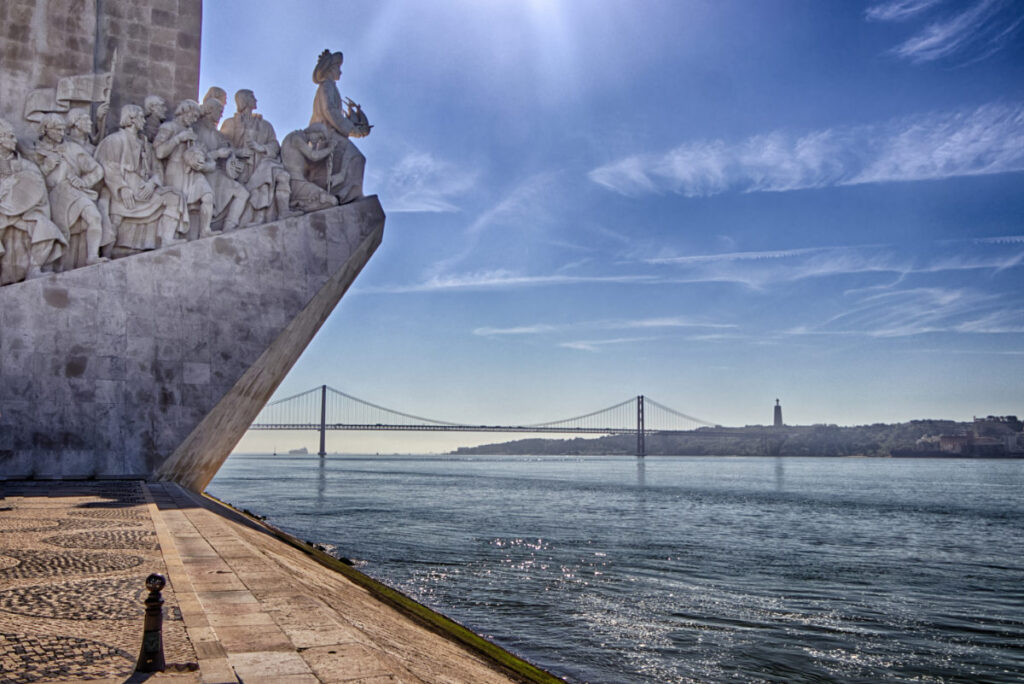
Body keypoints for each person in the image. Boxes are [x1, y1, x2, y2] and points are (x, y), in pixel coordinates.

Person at [95, 105, 185, 255]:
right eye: (141, 117)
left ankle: (167, 240)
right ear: (131, 119)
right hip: (124, 191)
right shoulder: (114, 140)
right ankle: (105, 254)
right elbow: (109, 168)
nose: (144, 120)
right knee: (114, 218)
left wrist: (152, 183)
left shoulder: (146, 145)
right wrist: (122, 189)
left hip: (144, 190)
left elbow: (157, 169)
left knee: (174, 197)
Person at [33, 113, 109, 270]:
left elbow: (97, 170)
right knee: (59, 232)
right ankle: (51, 266)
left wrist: (84, 181)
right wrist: (46, 167)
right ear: (46, 129)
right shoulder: (36, 150)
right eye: (57, 130)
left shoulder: (73, 148)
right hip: (54, 197)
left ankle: (92, 256)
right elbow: (31, 179)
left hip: (75, 191)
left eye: (63, 129)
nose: (62, 133)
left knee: (94, 217)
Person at [0, 118, 65, 284]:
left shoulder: (25, 165)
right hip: (2, 212)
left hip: (24, 213)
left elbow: (37, 185)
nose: (15, 140)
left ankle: (34, 269)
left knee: (45, 228)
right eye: (11, 137)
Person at [220, 89, 292, 223]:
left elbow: (275, 145)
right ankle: (247, 221)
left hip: (262, 163)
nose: (256, 100)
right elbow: (223, 145)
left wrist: (262, 148)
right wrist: (238, 152)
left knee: (278, 175)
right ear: (245, 100)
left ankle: (281, 212)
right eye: (252, 97)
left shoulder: (265, 125)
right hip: (241, 168)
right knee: (256, 186)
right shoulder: (230, 123)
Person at [309, 49, 369, 204]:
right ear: (330, 69)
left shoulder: (331, 86)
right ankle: (345, 197)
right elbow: (330, 111)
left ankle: (345, 195)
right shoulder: (327, 86)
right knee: (357, 158)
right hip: (326, 133)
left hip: (332, 132)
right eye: (338, 67)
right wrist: (353, 129)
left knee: (357, 159)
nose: (340, 72)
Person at [154, 100, 215, 238]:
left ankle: (205, 230)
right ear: (184, 112)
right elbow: (159, 152)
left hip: (192, 172)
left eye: (195, 117)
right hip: (175, 170)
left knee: (208, 195)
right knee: (177, 203)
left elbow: (202, 154)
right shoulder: (168, 127)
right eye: (192, 116)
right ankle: (170, 237)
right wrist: (178, 138)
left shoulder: (192, 132)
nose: (194, 120)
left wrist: (202, 163)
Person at [194, 96, 248, 232]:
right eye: (220, 110)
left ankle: (229, 227)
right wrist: (217, 154)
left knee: (243, 193)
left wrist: (237, 154)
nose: (222, 114)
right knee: (241, 193)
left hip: (217, 172)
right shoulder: (195, 129)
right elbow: (193, 156)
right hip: (203, 173)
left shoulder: (217, 134)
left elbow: (228, 149)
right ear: (209, 110)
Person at [280, 123, 338, 213]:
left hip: (299, 181)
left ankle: (299, 206)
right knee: (330, 201)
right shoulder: (296, 138)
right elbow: (313, 156)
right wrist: (330, 148)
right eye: (319, 137)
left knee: (330, 201)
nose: (318, 141)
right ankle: (298, 206)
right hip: (296, 182)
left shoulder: (300, 139)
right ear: (313, 131)